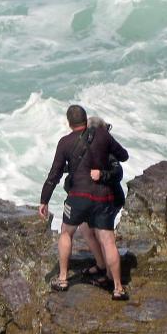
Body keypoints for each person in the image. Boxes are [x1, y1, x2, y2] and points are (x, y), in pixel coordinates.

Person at [38, 104, 129, 300]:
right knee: (108, 241)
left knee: (66, 233)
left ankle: (62, 279)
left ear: (69, 123)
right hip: (102, 197)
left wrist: (44, 200)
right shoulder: (104, 136)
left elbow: (54, 174)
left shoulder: (64, 142)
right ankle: (118, 288)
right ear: (86, 119)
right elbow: (124, 156)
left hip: (78, 198)